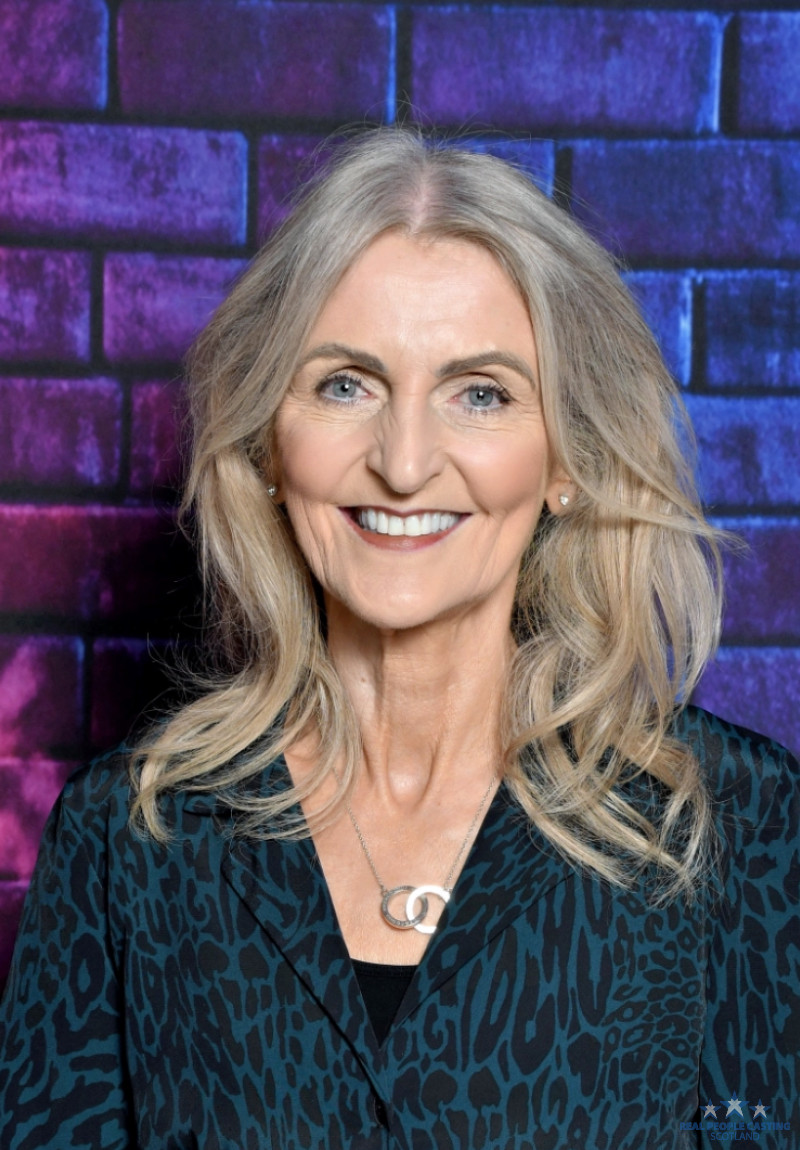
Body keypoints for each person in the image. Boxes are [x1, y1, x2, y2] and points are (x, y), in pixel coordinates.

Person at [0, 128, 797, 1150]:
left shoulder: (736, 824)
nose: (405, 462)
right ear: (270, 444)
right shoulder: (129, 838)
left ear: (565, 460)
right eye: (346, 384)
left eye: (480, 393)